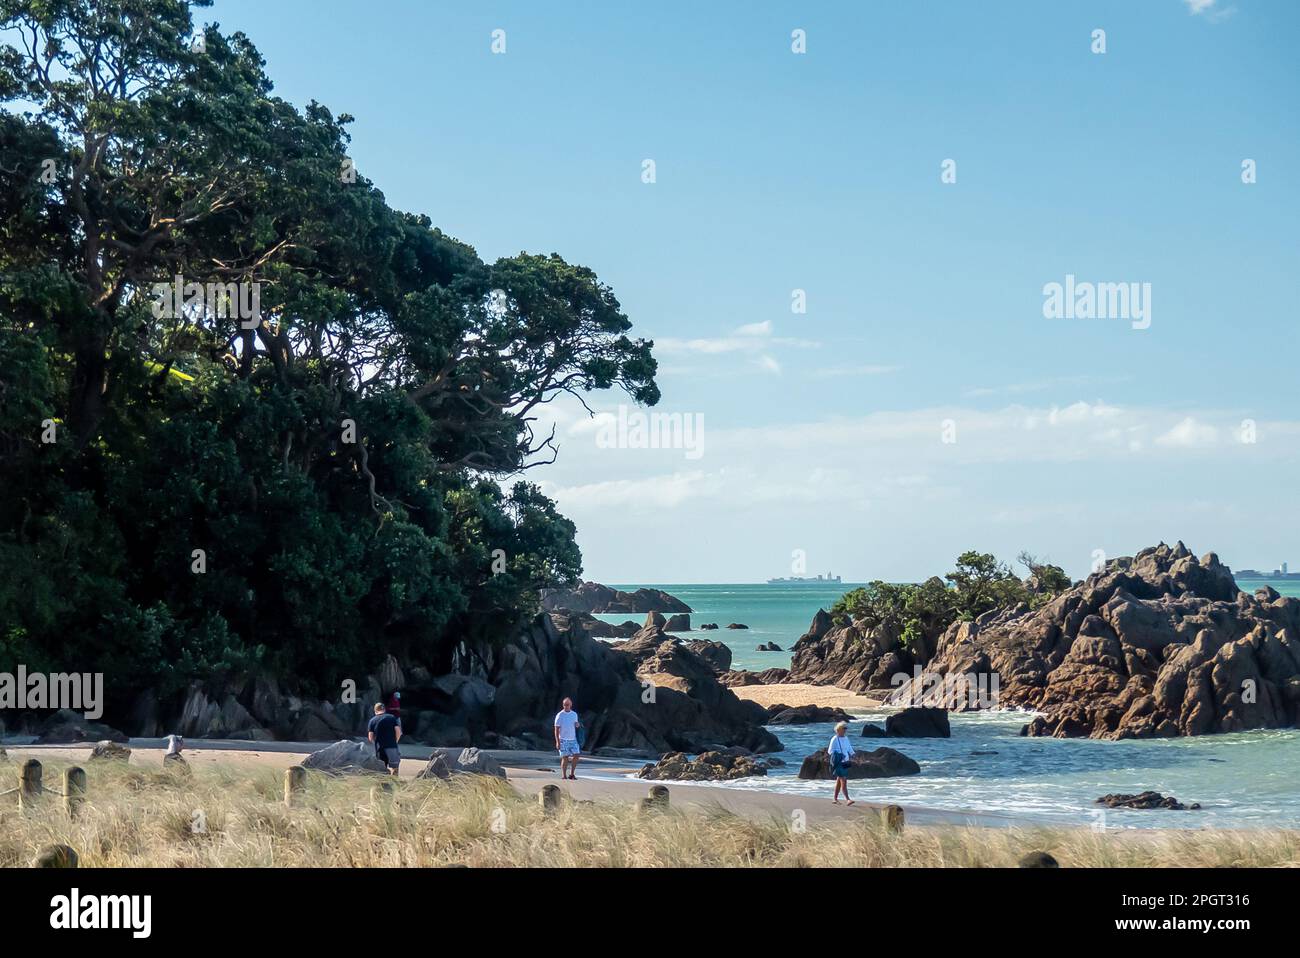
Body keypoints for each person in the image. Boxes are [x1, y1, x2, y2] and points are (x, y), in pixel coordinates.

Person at [367, 702, 402, 775]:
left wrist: (375, 743)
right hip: (392, 746)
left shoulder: (372, 720)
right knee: (395, 767)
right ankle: (394, 782)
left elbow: (370, 737)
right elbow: (398, 732)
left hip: (380, 748)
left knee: (381, 768)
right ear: (384, 709)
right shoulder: (392, 718)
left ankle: (382, 784)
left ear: (375, 711)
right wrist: (395, 741)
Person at [554, 697, 582, 780]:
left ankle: (572, 774)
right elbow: (556, 729)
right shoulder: (560, 715)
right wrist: (557, 742)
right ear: (563, 705)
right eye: (565, 705)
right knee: (565, 757)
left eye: (568, 705)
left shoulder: (574, 714)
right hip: (563, 739)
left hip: (573, 739)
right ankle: (564, 775)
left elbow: (576, 725)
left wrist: (577, 725)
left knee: (576, 755)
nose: (566, 706)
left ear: (571, 705)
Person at [829, 721, 855, 805]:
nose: (845, 730)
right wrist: (839, 754)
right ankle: (848, 799)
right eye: (844, 728)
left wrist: (853, 754)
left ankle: (835, 799)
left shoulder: (846, 738)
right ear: (839, 729)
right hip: (839, 763)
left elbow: (849, 748)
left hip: (845, 762)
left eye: (846, 728)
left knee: (839, 781)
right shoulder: (834, 739)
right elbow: (830, 751)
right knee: (843, 780)